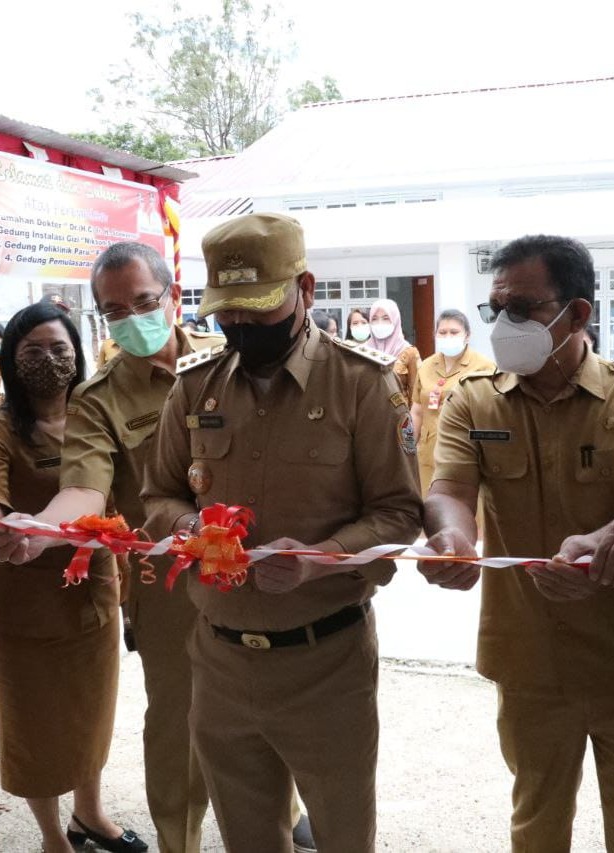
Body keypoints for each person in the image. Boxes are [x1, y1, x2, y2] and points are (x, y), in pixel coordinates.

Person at [0, 242, 314, 853]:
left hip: (261, 572)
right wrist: (42, 530)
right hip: (172, 593)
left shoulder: (233, 359)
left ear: (172, 293)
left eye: (143, 301)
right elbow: (84, 489)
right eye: (113, 312)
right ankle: (178, 839)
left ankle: (283, 816)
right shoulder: (98, 398)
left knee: (271, 706)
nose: (132, 319)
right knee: (178, 731)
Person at [141, 212, 422, 853]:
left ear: (306, 289)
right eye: (226, 310)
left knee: (344, 834)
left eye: (258, 308)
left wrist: (321, 559)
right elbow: (158, 495)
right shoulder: (193, 388)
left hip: (327, 663)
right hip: (218, 659)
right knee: (247, 837)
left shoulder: (364, 385)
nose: (239, 324)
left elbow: (399, 513)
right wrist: (193, 528)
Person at [419, 234, 614, 853]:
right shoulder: (475, 400)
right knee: (537, 823)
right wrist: (452, 535)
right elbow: (450, 489)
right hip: (528, 660)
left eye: (525, 308)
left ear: (578, 314)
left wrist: (602, 547)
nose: (505, 324)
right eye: (497, 309)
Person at [0, 302, 143, 853]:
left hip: (92, 588)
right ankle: (53, 837)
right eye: (32, 351)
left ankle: (90, 815)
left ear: (78, 353)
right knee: (34, 725)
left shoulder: (97, 416)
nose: (48, 360)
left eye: (58, 348)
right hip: (23, 597)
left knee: (92, 710)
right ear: (10, 361)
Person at [410, 308, 494, 495]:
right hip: (428, 455)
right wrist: (407, 448)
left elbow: (493, 415)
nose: (448, 336)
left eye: (454, 332)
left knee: (465, 514)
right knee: (430, 510)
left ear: (467, 336)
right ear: (435, 335)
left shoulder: (484, 367)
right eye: (443, 332)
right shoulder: (425, 366)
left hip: (466, 455)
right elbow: (416, 412)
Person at [366, 298, 421, 404]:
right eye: (375, 319)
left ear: (395, 320)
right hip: (368, 415)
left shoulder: (409, 352)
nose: (379, 323)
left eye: (386, 318)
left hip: (399, 416)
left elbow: (416, 393)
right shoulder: (363, 351)